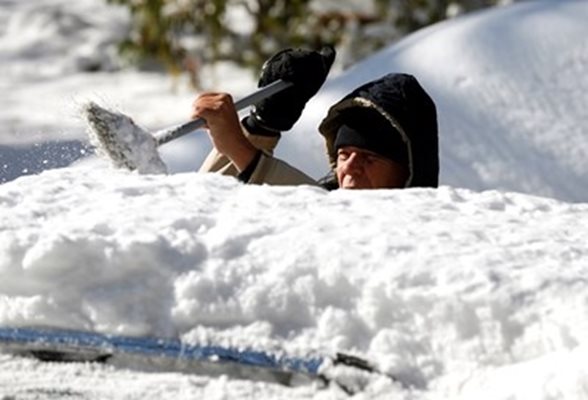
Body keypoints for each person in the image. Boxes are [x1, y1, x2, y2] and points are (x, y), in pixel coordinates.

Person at [192, 47, 439, 190]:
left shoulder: (427, 235)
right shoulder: (323, 205)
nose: (350, 166)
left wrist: (239, 148)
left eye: (370, 157)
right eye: (343, 154)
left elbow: (332, 223)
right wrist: (261, 126)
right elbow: (207, 209)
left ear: (408, 170)